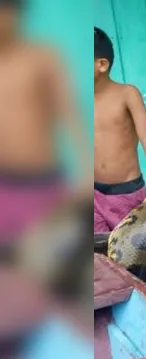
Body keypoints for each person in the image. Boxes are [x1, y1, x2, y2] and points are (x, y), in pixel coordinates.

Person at [0, 0, 90, 250]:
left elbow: (69, 114)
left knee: (46, 266)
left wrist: (84, 173)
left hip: (41, 182)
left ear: (14, 15)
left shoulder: (41, 58)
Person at [94, 26, 146, 233]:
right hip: (93, 194)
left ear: (102, 64)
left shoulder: (127, 94)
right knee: (99, 256)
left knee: (130, 252)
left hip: (127, 194)